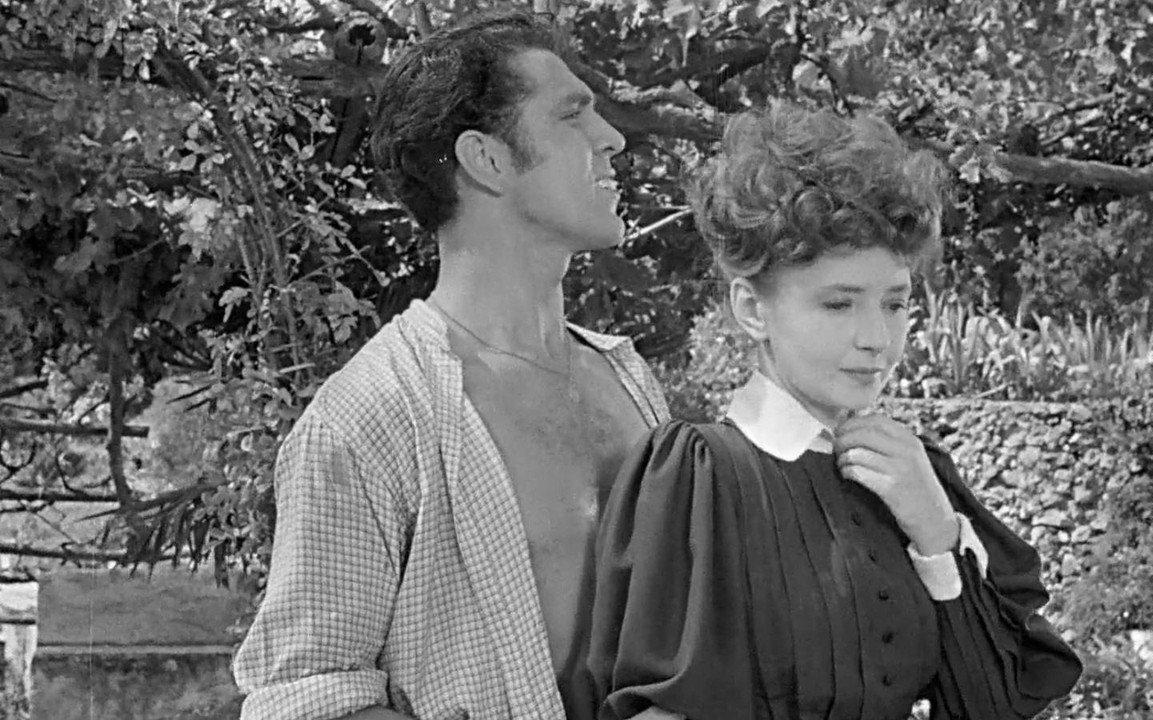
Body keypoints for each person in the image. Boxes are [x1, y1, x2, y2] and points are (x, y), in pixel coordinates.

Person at [231, 8, 670, 720]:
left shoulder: (627, 378)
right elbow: (306, 697)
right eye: (572, 115)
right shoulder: (370, 417)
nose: (611, 138)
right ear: (486, 160)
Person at [587, 102, 1083, 720]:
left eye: (895, 304)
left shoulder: (916, 471)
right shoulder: (698, 476)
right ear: (751, 309)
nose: (877, 339)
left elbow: (993, 705)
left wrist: (935, 534)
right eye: (839, 305)